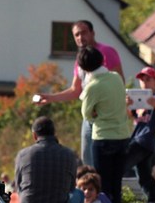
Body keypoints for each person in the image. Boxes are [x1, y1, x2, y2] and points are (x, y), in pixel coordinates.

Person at [31, 20, 123, 167]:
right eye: (76, 35)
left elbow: (119, 82)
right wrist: (49, 98)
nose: (81, 37)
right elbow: (76, 90)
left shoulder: (107, 52)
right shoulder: (80, 58)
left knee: (105, 163)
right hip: (88, 115)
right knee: (88, 160)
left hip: (105, 116)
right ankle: (91, 188)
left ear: (93, 33)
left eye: (84, 32)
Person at [77, 45, 131, 203]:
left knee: (102, 184)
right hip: (122, 135)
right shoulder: (115, 77)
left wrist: (96, 114)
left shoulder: (92, 87)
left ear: (84, 68)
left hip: (103, 137)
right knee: (116, 182)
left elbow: (86, 114)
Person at [123, 67, 155, 203]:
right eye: (142, 79)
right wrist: (127, 105)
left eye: (148, 79)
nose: (144, 82)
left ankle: (111, 198)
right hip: (139, 139)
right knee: (143, 175)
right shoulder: (138, 99)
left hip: (144, 140)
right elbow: (132, 117)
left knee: (121, 165)